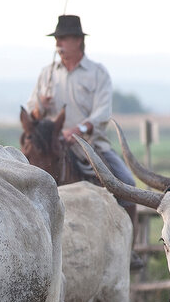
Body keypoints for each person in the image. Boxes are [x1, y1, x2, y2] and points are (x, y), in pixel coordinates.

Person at [27, 15, 143, 266]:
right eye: (56, 38)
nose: (58, 43)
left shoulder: (97, 73)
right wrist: (40, 106)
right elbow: (31, 113)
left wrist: (78, 129)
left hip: (90, 145)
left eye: (63, 38)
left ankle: (127, 254)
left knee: (128, 185)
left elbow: (102, 113)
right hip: (52, 146)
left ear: (78, 41)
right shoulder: (47, 74)